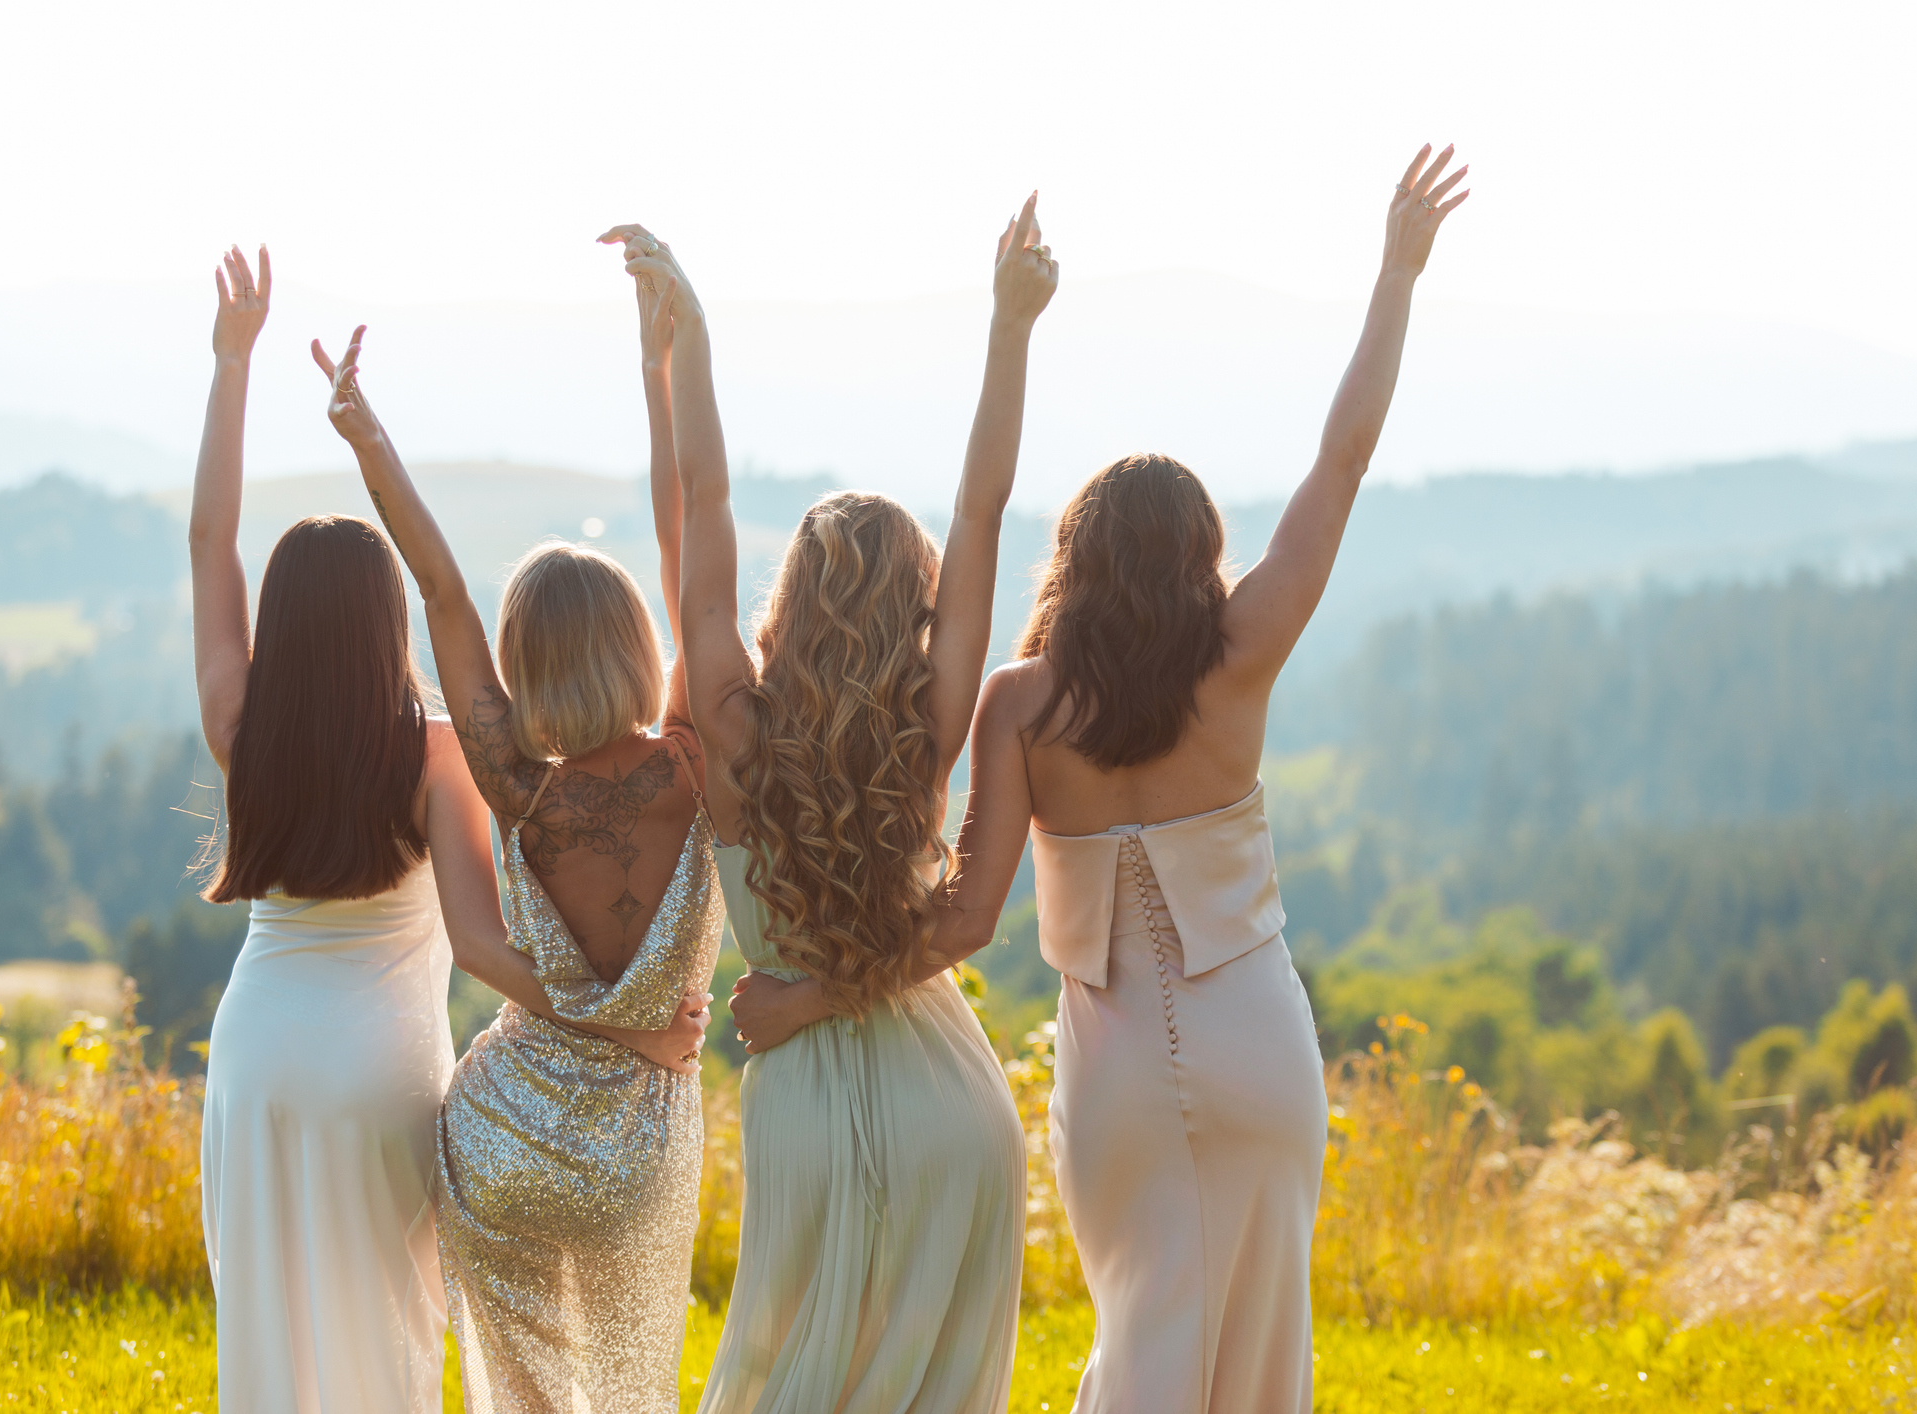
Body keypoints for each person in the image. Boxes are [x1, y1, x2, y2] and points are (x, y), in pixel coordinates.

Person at [782, 144, 1469, 1412]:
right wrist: (1397, 275)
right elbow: (1342, 461)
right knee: (1260, 1351)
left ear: (1076, 559)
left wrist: (812, 991)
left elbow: (963, 922)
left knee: (1141, 1337)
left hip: (1116, 1079)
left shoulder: (1020, 704)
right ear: (1200, 554)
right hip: (1259, 1045)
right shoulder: (1241, 657)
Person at [193, 246, 706, 1414]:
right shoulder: (432, 754)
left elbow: (208, 543)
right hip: (377, 1066)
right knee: (389, 1339)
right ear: (384, 628)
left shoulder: (240, 729)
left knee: (269, 1335)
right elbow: (485, 944)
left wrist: (231, 366)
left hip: (256, 1054)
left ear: (283, 624)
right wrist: (627, 1026)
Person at [622, 197, 1056, 1412]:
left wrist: (686, 346)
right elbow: (983, 510)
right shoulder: (927, 727)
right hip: (951, 1104)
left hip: (806, 1105)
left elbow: (696, 509)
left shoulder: (732, 726)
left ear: (792, 599)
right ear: (915, 606)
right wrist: (1009, 325)